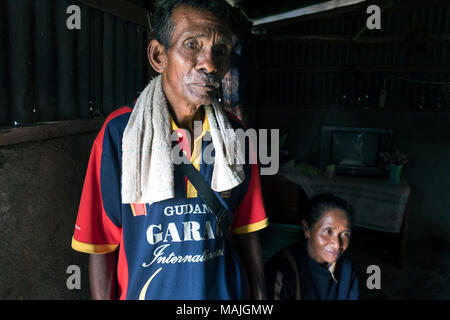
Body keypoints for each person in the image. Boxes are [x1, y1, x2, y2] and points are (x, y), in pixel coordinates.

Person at [71, 0, 268, 300]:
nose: (210, 64)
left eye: (221, 51)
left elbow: (247, 233)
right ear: (158, 56)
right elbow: (101, 245)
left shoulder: (236, 135)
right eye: (192, 45)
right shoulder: (120, 134)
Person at [265, 193, 358, 300]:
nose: (337, 244)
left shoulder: (346, 270)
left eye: (345, 234)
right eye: (328, 231)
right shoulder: (282, 271)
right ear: (307, 229)